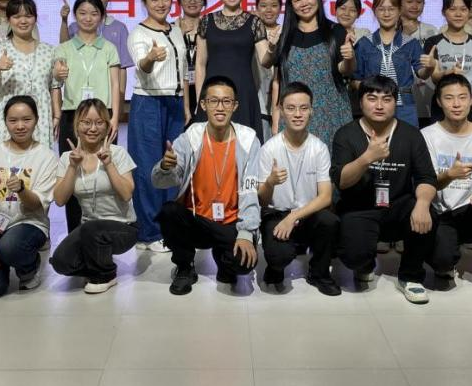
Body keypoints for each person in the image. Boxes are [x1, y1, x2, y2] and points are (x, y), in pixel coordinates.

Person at [331, 75, 438, 304]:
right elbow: (341, 181)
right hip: (360, 207)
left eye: (386, 99)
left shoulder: (411, 135)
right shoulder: (346, 134)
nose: (379, 105)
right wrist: (367, 158)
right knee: (354, 257)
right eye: (372, 98)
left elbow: (426, 177)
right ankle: (364, 264)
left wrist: (422, 204)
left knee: (428, 212)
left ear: (395, 102)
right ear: (360, 102)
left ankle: (410, 276)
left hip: (399, 204)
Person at [153, 76, 261, 295]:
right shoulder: (190, 137)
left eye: (226, 101)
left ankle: (223, 259)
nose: (220, 107)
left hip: (230, 223)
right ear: (203, 104)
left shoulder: (249, 140)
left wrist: (246, 233)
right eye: (213, 101)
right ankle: (184, 266)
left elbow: (250, 191)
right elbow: (160, 182)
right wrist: (165, 167)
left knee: (243, 264)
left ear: (235, 106)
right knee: (169, 212)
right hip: (197, 220)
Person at [420, 75, 472, 301]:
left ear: (471, 99)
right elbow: (425, 183)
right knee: (441, 264)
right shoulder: (427, 136)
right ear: (439, 101)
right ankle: (446, 260)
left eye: (462, 97)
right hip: (442, 213)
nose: (456, 104)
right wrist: (449, 175)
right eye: (449, 98)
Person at [0, 95, 58, 299]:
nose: (20, 126)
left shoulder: (46, 157)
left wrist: (22, 190)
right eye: (13, 120)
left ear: (36, 119)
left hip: (29, 223)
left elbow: (37, 205)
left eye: (26, 119)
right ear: (5, 122)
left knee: (11, 247)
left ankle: (29, 268)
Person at [256, 82, 340, 295]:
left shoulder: (319, 148)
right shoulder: (269, 149)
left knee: (329, 221)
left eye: (304, 108)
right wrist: (270, 182)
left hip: (307, 213)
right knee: (278, 256)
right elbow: (262, 201)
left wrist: (294, 216)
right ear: (281, 111)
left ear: (311, 111)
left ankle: (319, 273)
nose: (297, 114)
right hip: (277, 214)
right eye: (291, 108)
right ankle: (276, 267)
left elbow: (326, 197)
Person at [51, 100, 138, 293]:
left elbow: (126, 194)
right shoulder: (67, 158)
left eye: (99, 123)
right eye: (86, 122)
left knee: (92, 228)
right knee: (60, 262)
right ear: (77, 125)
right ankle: (97, 263)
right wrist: (72, 167)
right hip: (88, 229)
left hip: (123, 227)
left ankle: (106, 274)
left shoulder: (117, 153)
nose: (92, 128)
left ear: (107, 126)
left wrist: (109, 164)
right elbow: (60, 199)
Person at [127, 0, 189, 252]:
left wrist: (186, 106)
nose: (161, 4)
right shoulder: (138, 34)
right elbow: (142, 67)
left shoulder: (175, 29)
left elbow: (184, 69)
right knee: (147, 167)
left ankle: (170, 227)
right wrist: (151, 57)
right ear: (145, 3)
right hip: (149, 103)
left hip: (175, 102)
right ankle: (149, 233)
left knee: (173, 165)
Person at [54, 0, 122, 231]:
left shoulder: (109, 48)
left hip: (102, 117)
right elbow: (55, 85)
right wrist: (57, 77)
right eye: (82, 13)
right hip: (72, 116)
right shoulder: (63, 48)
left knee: (104, 173)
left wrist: (114, 117)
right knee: (73, 171)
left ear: (102, 17)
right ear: (75, 16)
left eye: (94, 13)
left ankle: (103, 231)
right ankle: (75, 233)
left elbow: (115, 84)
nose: (88, 18)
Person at [270, 0, 355, 145]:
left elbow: (345, 70)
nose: (304, 3)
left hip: (331, 112)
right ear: (291, 5)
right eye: (297, 0)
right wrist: (276, 116)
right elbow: (278, 80)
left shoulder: (335, 31)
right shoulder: (285, 35)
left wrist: (349, 58)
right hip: (295, 114)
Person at [194, 0, 277, 141]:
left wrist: (271, 49)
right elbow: (200, 64)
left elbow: (266, 61)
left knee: (244, 144)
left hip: (243, 93)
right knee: (210, 144)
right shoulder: (206, 21)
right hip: (212, 94)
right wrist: (200, 99)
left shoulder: (254, 22)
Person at [0, 0, 59, 148]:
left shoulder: (49, 51)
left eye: (28, 16)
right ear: (8, 19)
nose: (23, 21)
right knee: (3, 160)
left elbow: (54, 86)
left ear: (35, 18)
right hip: (6, 118)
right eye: (17, 17)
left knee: (38, 160)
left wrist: (56, 115)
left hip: (40, 117)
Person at [420, 0, 472, 128]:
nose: (458, 14)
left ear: (469, 12)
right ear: (444, 12)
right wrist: (447, 73)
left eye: (463, 9)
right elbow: (434, 78)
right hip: (443, 106)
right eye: (452, 9)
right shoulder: (433, 42)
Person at [353, 0, 424, 126]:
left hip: (404, 107)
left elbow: (422, 72)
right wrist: (373, 92)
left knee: (407, 139)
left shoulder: (410, 43)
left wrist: (430, 67)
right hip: (374, 107)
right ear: (374, 11)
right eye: (381, 9)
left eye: (391, 9)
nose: (386, 14)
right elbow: (355, 79)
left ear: (399, 11)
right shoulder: (364, 43)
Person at [61, 0, 134, 104]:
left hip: (107, 98)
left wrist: (121, 99)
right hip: (77, 96)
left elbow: (122, 67)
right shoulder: (74, 27)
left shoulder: (119, 28)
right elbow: (63, 50)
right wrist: (64, 20)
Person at [335, 0, 371, 118]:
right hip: (336, 92)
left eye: (352, 10)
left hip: (360, 93)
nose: (346, 13)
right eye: (343, 8)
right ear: (335, 10)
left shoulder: (365, 34)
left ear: (358, 14)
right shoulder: (327, 34)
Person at [254, 0, 283, 138]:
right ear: (257, 8)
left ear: (280, 8)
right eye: (263, 6)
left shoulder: (286, 32)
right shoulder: (250, 31)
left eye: (274, 5)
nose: (269, 10)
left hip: (282, 101)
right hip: (258, 99)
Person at [177, 0, 207, 105]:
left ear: (203, 1)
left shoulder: (210, 29)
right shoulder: (172, 29)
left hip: (205, 89)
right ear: (180, 1)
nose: (192, 1)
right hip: (178, 92)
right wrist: (179, 35)